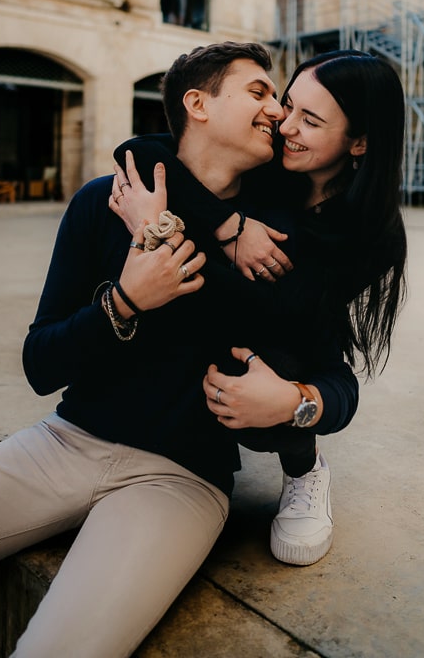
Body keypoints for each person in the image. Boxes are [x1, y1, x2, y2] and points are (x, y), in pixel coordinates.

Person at [0, 40, 344, 658]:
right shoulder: (101, 203)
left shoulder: (273, 233)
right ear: (198, 104)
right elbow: (40, 362)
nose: (276, 110)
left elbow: (331, 369)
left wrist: (295, 399)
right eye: (259, 92)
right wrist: (125, 301)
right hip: (64, 441)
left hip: (178, 479)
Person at [111, 48, 407, 566]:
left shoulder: (371, 234)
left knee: (277, 370)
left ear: (359, 142)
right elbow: (136, 150)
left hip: (270, 336)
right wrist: (230, 227)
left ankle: (305, 468)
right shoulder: (268, 170)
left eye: (309, 120)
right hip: (199, 313)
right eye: (287, 105)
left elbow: (304, 330)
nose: (283, 123)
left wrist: (292, 401)